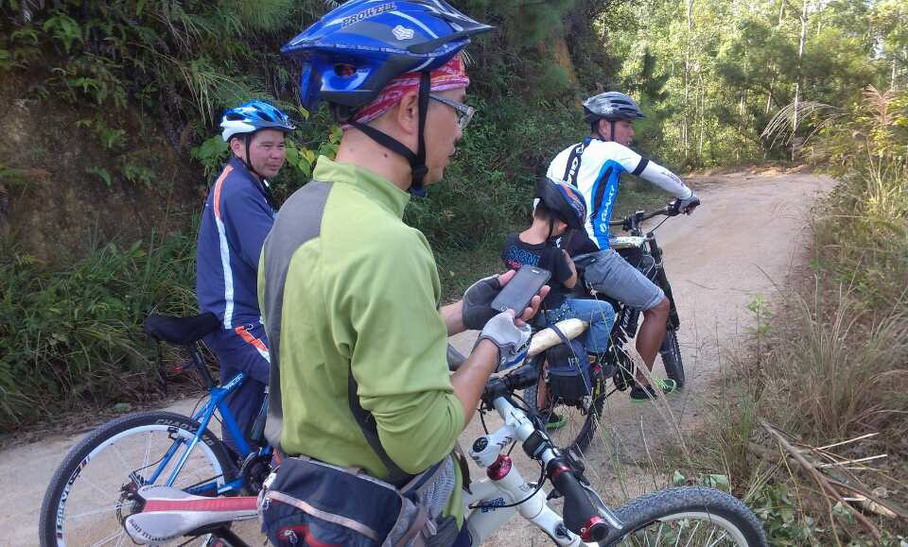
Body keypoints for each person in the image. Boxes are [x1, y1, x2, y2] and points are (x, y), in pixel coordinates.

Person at [259, 2, 545, 545]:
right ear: (411, 111)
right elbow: (421, 441)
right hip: (387, 515)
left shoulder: (297, 214)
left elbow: (339, 347)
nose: (459, 132)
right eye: (457, 108)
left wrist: (464, 314)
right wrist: (493, 344)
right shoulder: (388, 245)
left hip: (312, 501)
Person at [546, 91, 700, 401]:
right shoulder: (611, 150)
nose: (631, 133)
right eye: (627, 125)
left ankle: (543, 407)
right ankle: (643, 384)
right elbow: (658, 173)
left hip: (552, 254)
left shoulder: (561, 157)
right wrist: (686, 196)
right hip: (591, 254)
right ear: (605, 126)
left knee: (552, 319)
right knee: (658, 305)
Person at [195, 100, 295, 451]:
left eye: (280, 145)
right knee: (298, 381)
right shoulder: (239, 191)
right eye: (266, 145)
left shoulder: (245, 183)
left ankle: (237, 470)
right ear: (238, 146)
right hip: (239, 322)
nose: (277, 154)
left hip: (236, 316)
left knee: (243, 407)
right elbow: (273, 259)